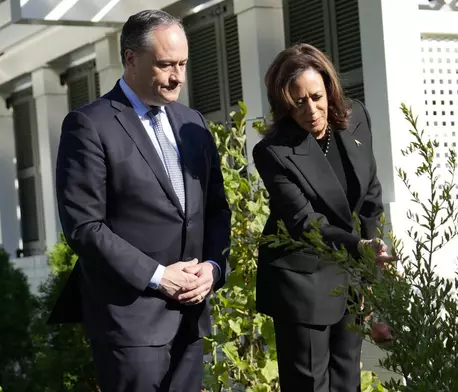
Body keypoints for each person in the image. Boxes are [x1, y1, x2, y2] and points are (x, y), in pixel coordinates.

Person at [49, 9, 231, 391]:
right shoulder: (89, 125)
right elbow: (85, 227)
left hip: (191, 316)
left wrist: (213, 267)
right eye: (165, 64)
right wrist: (159, 276)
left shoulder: (193, 122)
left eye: (182, 63)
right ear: (131, 59)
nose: (177, 76)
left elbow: (216, 209)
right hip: (129, 322)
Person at [252, 43, 394, 392]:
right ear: (284, 103)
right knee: (309, 385)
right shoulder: (273, 152)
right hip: (303, 280)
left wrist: (371, 260)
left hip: (350, 273)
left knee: (347, 381)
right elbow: (304, 222)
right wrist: (360, 246)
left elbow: (371, 196)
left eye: (317, 96)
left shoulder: (356, 117)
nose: (312, 110)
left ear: (329, 89)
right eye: (298, 102)